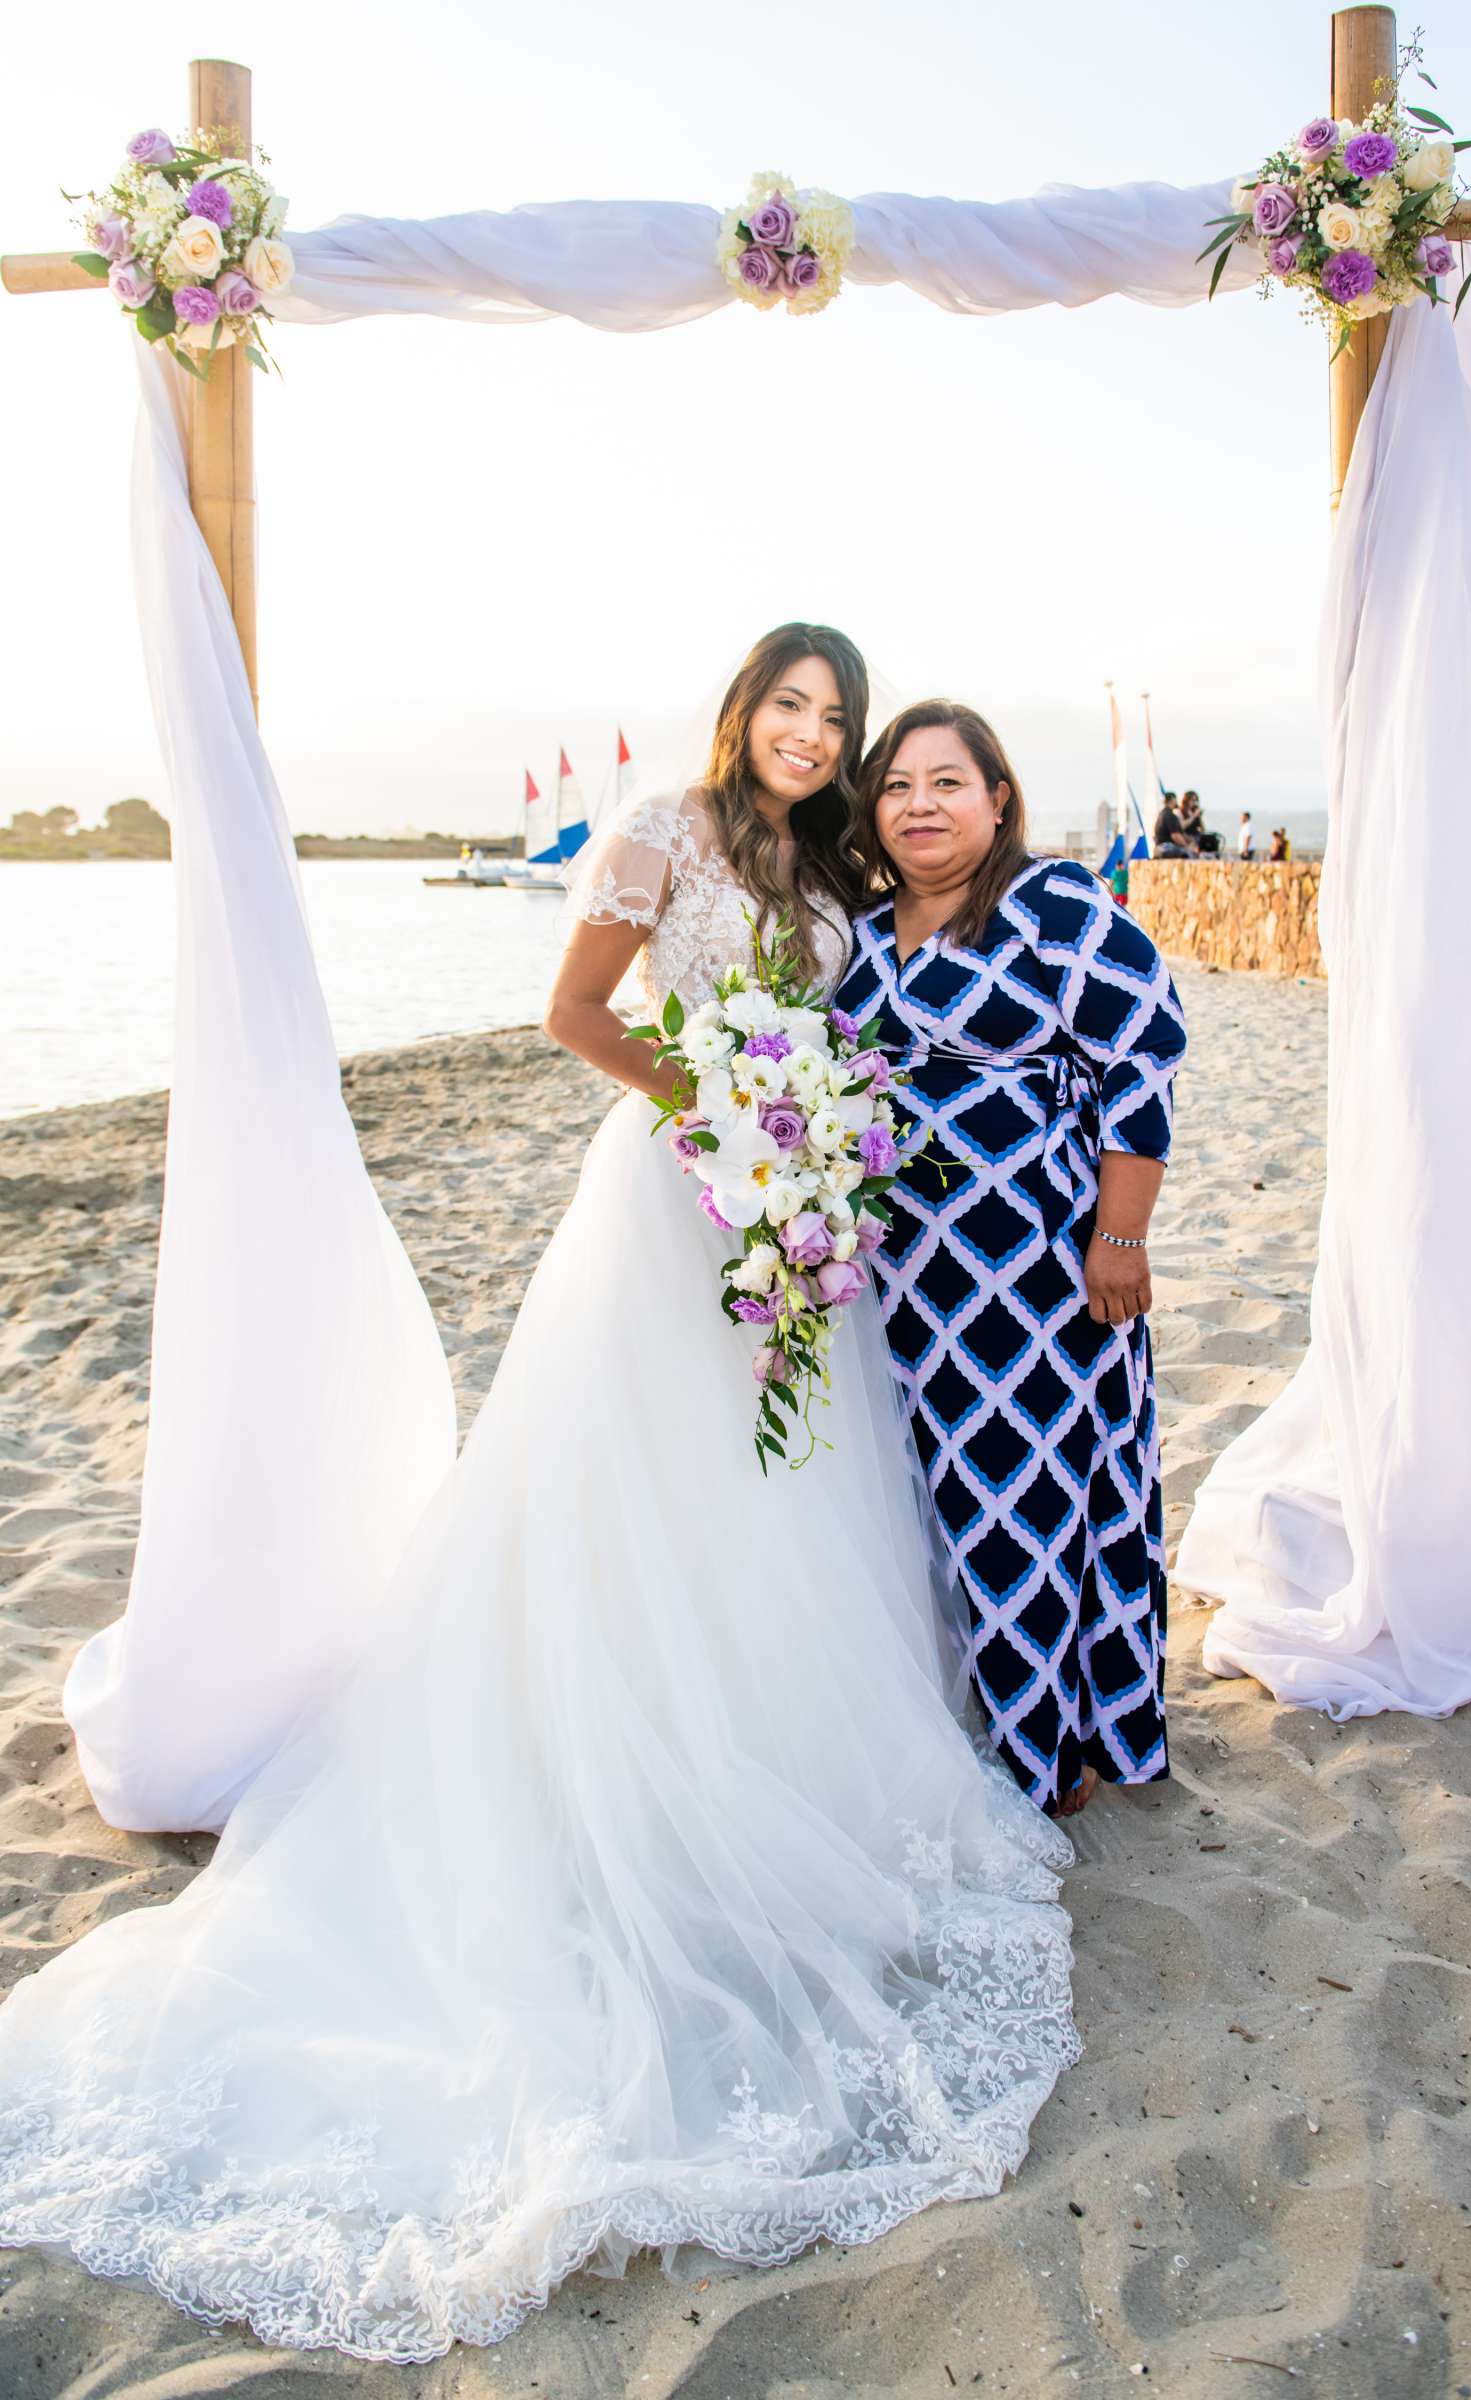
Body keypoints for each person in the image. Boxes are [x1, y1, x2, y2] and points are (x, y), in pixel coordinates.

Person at [0, 628, 1079, 2361]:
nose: (812, 737)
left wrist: (803, 1125)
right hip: (666, 1197)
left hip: (785, 1207)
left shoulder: (832, 863)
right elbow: (571, 1009)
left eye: (837, 719)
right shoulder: (665, 823)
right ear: (745, 712)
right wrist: (720, 1098)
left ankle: (758, 1764)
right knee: (626, 1495)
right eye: (789, 708)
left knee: (781, 1497)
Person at [833, 701, 1186, 1821]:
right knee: (919, 1500)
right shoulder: (859, 924)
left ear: (997, 798)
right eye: (896, 786)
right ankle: (964, 1721)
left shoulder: (1052, 906)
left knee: (1025, 1497)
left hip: (1028, 1268)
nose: (920, 805)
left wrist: (1119, 1238)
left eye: (947, 782)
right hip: (893, 1276)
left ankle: (1047, 1747)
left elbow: (1143, 1059)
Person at [1152, 790, 1196, 857]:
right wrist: (1186, 846)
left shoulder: (1161, 814)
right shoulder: (1170, 815)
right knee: (1190, 854)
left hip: (1159, 847)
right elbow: (1175, 835)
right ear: (1172, 800)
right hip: (1167, 847)